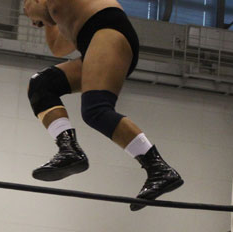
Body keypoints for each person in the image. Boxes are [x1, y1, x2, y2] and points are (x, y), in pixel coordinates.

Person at [22, 0, 182, 211]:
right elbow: (58, 48)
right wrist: (44, 19)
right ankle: (68, 149)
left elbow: (41, 9)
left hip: (108, 31)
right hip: (96, 40)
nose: (28, 12)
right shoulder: (59, 11)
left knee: (96, 109)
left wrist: (36, 11)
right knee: (41, 85)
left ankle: (158, 168)